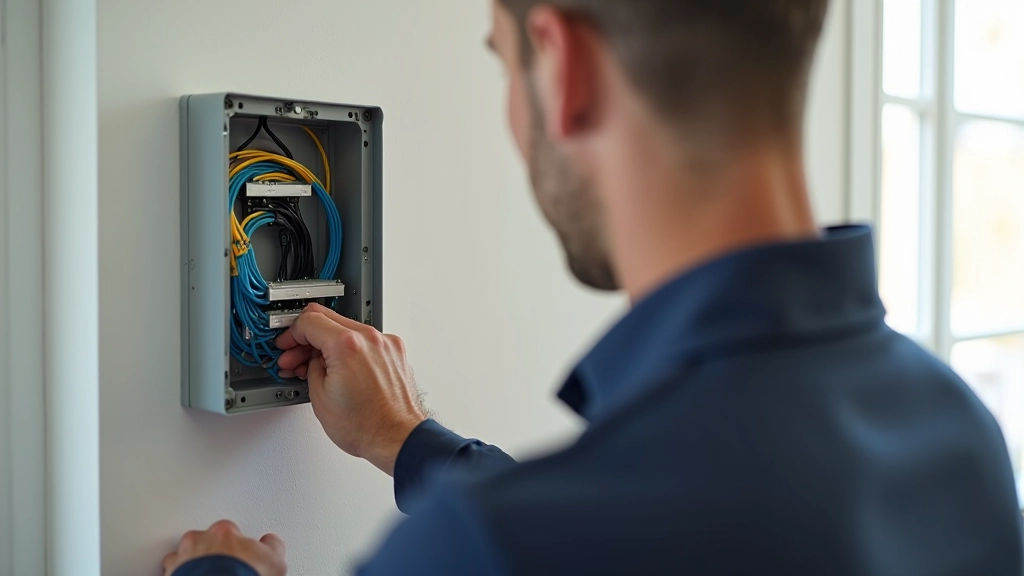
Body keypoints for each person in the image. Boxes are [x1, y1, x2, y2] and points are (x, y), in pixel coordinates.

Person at [163, 0, 1024, 574]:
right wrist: (406, 439)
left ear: (561, 64)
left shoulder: (488, 548)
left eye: (507, 67)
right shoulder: (960, 435)